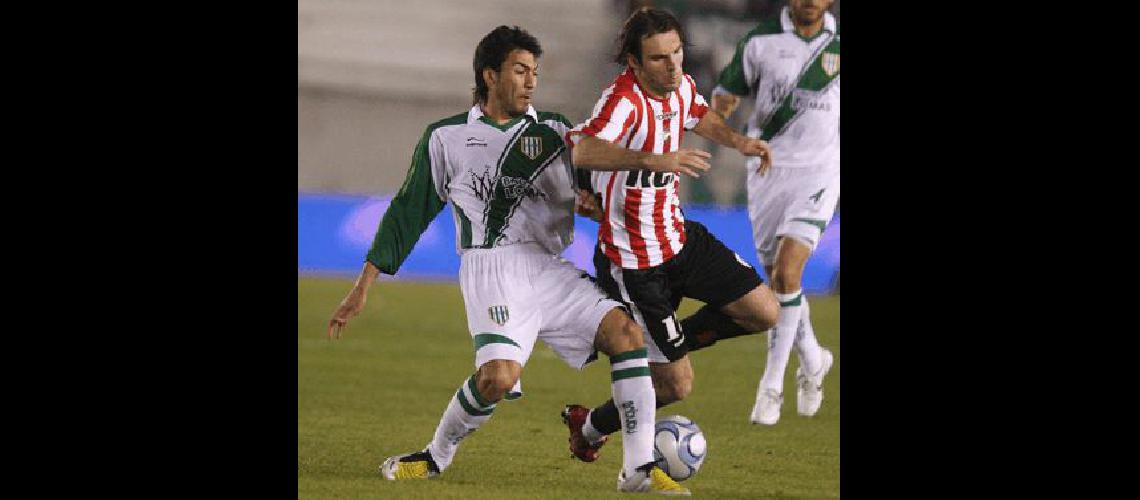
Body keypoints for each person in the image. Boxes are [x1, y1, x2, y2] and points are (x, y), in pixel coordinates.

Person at [326, 25, 689, 494]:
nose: (531, 80)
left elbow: (595, 186)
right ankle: (435, 456)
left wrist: (591, 201)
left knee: (625, 333)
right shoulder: (447, 137)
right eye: (521, 70)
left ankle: (638, 469)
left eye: (535, 72)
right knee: (497, 379)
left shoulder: (557, 131)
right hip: (491, 266)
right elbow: (407, 211)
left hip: (547, 266)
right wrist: (365, 284)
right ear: (490, 75)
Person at [560, 7, 781, 463]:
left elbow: (699, 115)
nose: (674, 65)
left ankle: (666, 342)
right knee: (676, 386)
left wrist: (740, 143)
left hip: (679, 238)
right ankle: (592, 426)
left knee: (764, 312)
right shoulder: (623, 100)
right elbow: (583, 148)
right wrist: (652, 160)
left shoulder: (679, 85)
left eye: (677, 52)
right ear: (635, 64)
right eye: (659, 58)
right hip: (636, 263)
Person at [710, 0, 839, 425]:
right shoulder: (760, 42)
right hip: (766, 170)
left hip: (819, 171)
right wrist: (715, 129)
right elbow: (725, 98)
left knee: (787, 274)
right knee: (781, 283)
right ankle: (813, 358)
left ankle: (771, 387)